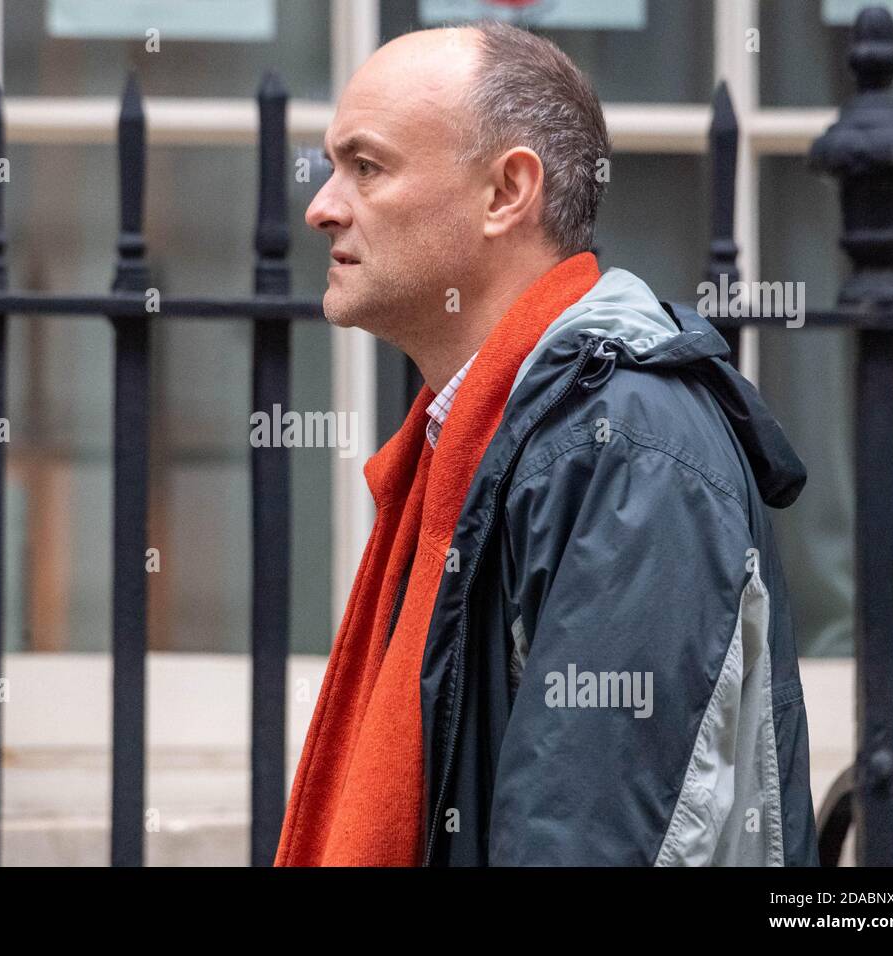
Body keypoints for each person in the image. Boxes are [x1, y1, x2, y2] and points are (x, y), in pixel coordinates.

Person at [274, 20, 819, 866]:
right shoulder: (483, 436)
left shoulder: (628, 450)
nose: (321, 206)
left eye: (366, 166)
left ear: (506, 192)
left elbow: (589, 841)